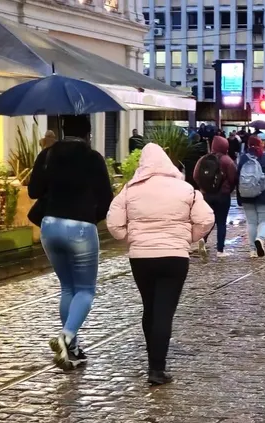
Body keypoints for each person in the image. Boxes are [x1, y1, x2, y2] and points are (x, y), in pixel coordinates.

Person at [107, 143, 214, 385]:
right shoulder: (185, 189)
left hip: (141, 258)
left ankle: (152, 359)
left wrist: (131, 239)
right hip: (175, 258)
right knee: (164, 311)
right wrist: (187, 238)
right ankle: (157, 368)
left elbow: (113, 223)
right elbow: (206, 219)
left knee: (150, 307)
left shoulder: (130, 190)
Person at [28, 115, 114, 371]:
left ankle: (72, 349)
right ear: (88, 132)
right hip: (80, 228)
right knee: (85, 290)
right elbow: (107, 200)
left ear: (63, 130)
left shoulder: (48, 155)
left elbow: (33, 192)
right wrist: (90, 217)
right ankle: (66, 337)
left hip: (50, 226)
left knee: (67, 288)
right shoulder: (93, 158)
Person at [193, 135, 238, 257]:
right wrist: (229, 189)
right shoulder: (227, 161)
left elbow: (195, 176)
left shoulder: (203, 159)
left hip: (207, 195)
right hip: (223, 196)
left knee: (209, 220)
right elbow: (234, 178)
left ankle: (203, 239)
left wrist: (203, 188)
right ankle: (220, 250)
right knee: (221, 222)